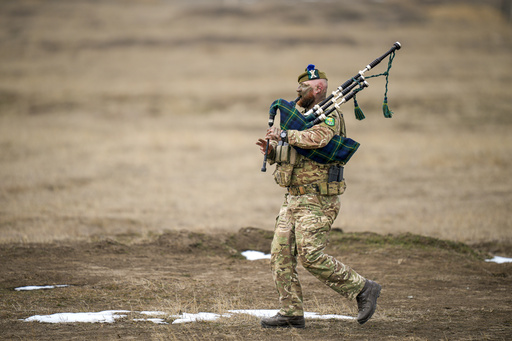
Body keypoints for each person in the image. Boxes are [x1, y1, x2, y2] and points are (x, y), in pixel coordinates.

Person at [256, 65, 381, 329]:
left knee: (310, 255)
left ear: (319, 88)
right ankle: (290, 311)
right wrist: (271, 151)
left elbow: (318, 141)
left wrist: (285, 134)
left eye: (303, 88)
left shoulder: (330, 115)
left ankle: (363, 289)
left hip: (318, 199)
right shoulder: (302, 120)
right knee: (280, 255)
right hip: (292, 199)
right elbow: (293, 154)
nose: (298, 92)